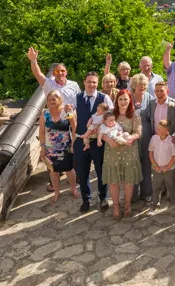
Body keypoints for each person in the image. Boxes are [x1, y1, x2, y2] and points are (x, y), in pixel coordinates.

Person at [73, 71, 113, 213]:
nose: (92, 85)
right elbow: (68, 115)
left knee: (101, 170)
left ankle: (103, 197)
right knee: (82, 172)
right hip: (80, 139)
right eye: (89, 82)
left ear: (97, 83)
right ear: (84, 82)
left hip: (98, 142)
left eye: (94, 82)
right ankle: (86, 199)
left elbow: (111, 116)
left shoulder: (104, 98)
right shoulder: (76, 97)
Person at [102, 89, 142, 219]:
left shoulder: (134, 115)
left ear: (130, 100)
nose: (123, 102)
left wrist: (131, 137)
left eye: (125, 99)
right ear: (116, 100)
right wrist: (108, 139)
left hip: (129, 151)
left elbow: (138, 132)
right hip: (112, 151)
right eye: (120, 99)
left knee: (128, 180)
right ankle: (116, 207)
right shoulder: (110, 114)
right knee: (114, 180)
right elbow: (99, 130)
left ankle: (128, 205)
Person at [146, 81, 175, 207]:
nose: (159, 93)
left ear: (167, 91)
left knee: (172, 169)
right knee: (158, 166)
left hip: (170, 140)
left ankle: (173, 194)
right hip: (157, 140)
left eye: (161, 90)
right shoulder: (151, 104)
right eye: (156, 91)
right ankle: (161, 192)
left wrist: (174, 136)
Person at [39, 90, 78, 203]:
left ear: (59, 100)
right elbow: (41, 132)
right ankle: (57, 192)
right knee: (53, 171)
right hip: (50, 148)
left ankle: (74, 189)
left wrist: (74, 143)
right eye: (49, 99)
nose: (52, 101)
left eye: (54, 99)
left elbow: (74, 127)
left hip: (66, 146)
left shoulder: (67, 111)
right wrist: (42, 147)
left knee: (69, 169)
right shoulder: (44, 114)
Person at [129, 73, 155, 204]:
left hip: (147, 135)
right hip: (132, 136)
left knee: (146, 164)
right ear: (134, 85)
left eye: (144, 85)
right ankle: (132, 194)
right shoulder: (128, 98)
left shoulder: (150, 98)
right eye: (140, 85)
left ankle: (147, 193)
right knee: (133, 164)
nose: (142, 87)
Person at [148, 119, 175, 214]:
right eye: (158, 128)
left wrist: (167, 167)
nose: (158, 130)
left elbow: (174, 156)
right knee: (156, 188)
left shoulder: (171, 141)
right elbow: (151, 152)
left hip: (169, 170)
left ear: (167, 131)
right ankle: (154, 205)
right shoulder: (154, 138)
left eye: (160, 129)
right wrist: (154, 165)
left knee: (172, 187)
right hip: (157, 169)